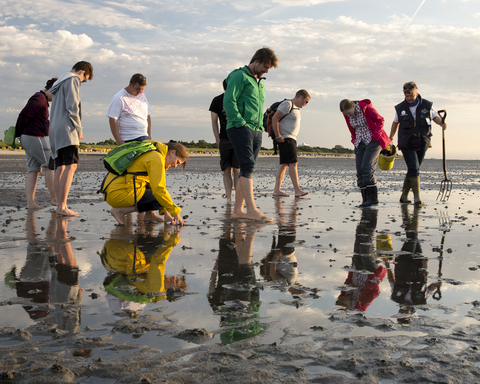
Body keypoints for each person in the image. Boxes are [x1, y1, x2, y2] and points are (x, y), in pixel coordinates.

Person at [223, 47, 279, 222]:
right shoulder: (239, 76)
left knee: (247, 169)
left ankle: (238, 210)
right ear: (257, 60)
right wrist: (240, 122)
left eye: (269, 68)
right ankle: (252, 209)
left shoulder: (259, 81)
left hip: (256, 129)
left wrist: (261, 126)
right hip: (240, 128)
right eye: (266, 66)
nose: (267, 70)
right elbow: (229, 100)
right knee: (248, 167)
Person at [101, 141, 188, 226]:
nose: (175, 166)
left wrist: (166, 213)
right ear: (172, 152)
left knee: (160, 196)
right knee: (161, 196)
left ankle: (149, 215)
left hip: (110, 191)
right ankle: (120, 211)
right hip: (120, 193)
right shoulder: (157, 158)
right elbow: (159, 189)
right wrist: (175, 212)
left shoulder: (150, 149)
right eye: (177, 162)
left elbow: (151, 185)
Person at [389, 81, 447, 205]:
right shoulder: (400, 108)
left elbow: (435, 117)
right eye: (407, 96)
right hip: (406, 143)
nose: (409, 98)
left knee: (414, 169)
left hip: (423, 142)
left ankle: (404, 196)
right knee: (414, 169)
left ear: (417, 92)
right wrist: (391, 138)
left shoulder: (427, 105)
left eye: (411, 95)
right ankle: (417, 199)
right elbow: (395, 123)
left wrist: (442, 123)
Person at [49, 61, 93, 217]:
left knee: (59, 167)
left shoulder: (60, 81)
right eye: (84, 79)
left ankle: (58, 202)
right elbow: (72, 106)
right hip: (67, 128)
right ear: (82, 72)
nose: (82, 82)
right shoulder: (73, 79)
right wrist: (79, 128)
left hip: (54, 128)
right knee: (71, 165)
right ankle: (62, 206)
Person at [16, 77, 58, 209]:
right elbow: (23, 115)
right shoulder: (39, 98)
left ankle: (30, 203)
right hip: (35, 137)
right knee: (49, 166)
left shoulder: (41, 99)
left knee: (33, 170)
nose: (57, 98)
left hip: (29, 137)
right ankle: (55, 199)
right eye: (57, 93)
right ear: (53, 88)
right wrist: (18, 133)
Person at [340, 99, 391, 207]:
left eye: (349, 113)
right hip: (359, 142)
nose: (348, 115)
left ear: (353, 106)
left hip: (372, 141)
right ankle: (365, 200)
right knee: (360, 173)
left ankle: (373, 200)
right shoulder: (347, 115)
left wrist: (376, 136)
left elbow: (381, 120)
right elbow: (352, 128)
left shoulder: (367, 108)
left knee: (367, 169)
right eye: (346, 114)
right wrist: (354, 139)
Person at [272, 90, 310, 198]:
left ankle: (277, 190)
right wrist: (278, 135)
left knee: (284, 164)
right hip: (286, 138)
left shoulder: (294, 107)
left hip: (290, 138)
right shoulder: (288, 104)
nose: (306, 104)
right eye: (306, 101)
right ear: (301, 98)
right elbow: (275, 118)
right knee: (293, 163)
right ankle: (297, 190)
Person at [209, 79, 240, 204]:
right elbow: (213, 121)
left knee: (237, 169)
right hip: (225, 138)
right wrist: (217, 138)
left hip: (238, 138)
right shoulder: (217, 100)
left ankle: (238, 198)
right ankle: (228, 198)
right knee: (227, 169)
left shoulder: (240, 99)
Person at [106, 74, 151, 145]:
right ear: (130, 85)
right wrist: (119, 141)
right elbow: (112, 119)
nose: (140, 91)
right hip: (128, 139)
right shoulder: (119, 98)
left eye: (142, 89)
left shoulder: (142, 95)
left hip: (144, 137)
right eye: (138, 89)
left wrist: (149, 136)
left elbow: (147, 115)